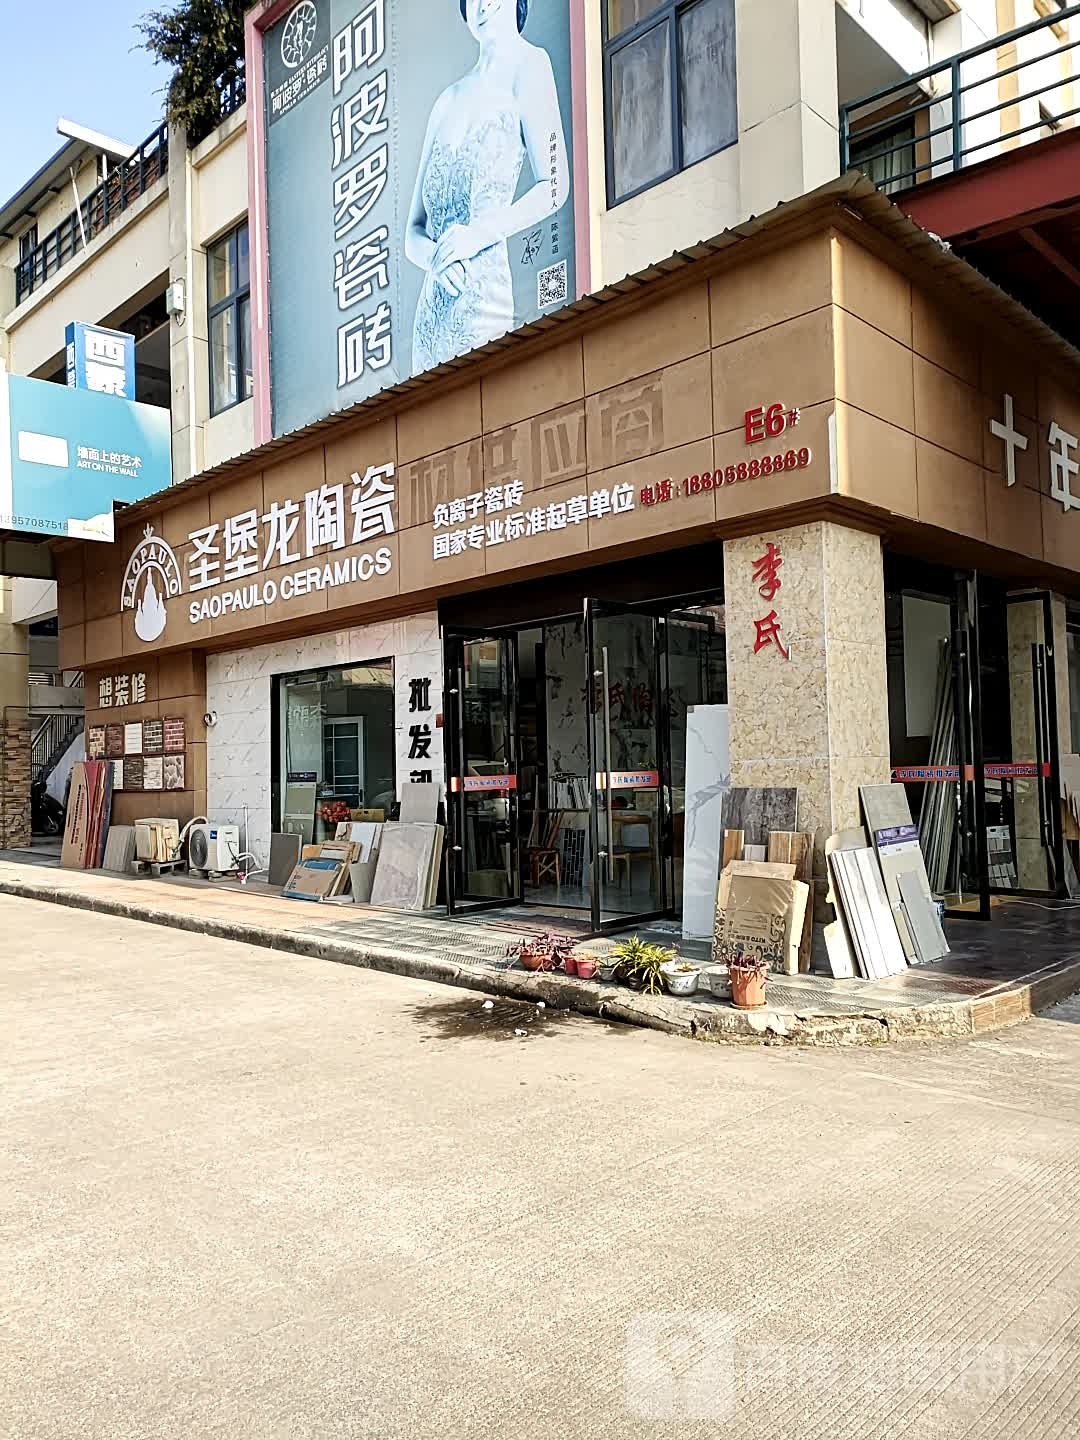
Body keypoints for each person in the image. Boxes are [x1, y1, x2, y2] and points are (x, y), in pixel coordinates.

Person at [405, 0, 570, 375]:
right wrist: (435, 259)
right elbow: (412, 233)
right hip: (429, 320)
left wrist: (477, 235)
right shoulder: (446, 102)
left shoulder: (530, 66)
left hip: (483, 305)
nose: (481, 5)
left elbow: (555, 185)